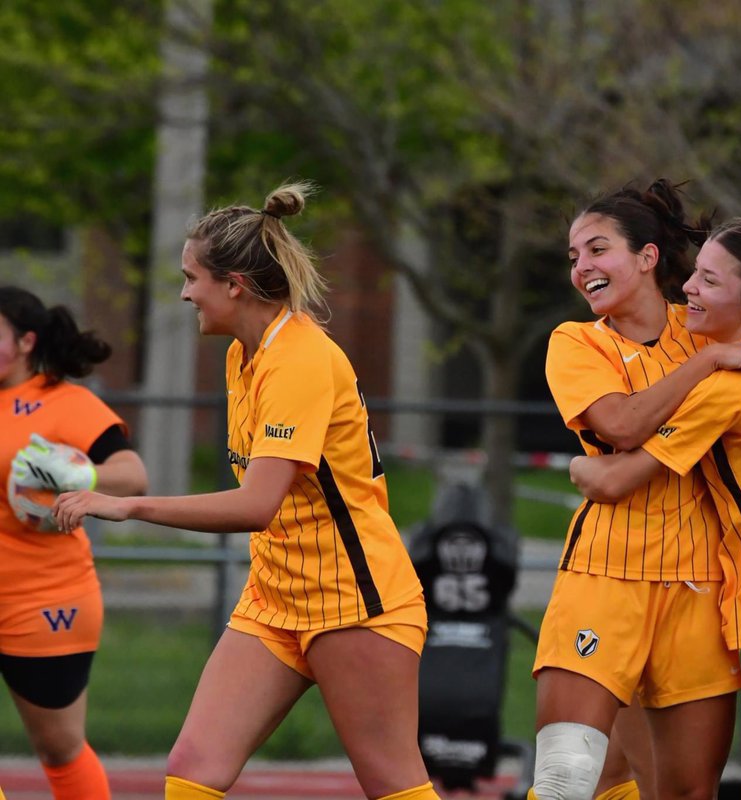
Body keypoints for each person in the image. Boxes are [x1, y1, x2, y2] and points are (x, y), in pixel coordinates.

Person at [53, 184, 439, 800]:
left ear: (234, 284)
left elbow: (256, 505)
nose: (184, 293)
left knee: (392, 784)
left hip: (356, 601)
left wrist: (126, 505)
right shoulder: (244, 354)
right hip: (275, 597)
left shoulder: (300, 360)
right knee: (193, 770)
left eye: (191, 278)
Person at [533, 181, 741, 800]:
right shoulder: (578, 342)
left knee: (685, 789)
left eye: (596, 249)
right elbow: (618, 423)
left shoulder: (707, 320)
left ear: (646, 258)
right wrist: (711, 363)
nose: (582, 266)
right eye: (573, 256)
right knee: (566, 777)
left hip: (702, 586)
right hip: (605, 575)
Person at [0, 286, 149, 800]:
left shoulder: (67, 403)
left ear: (25, 342)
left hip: (45, 598)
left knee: (59, 749)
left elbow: (133, 477)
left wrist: (76, 475)